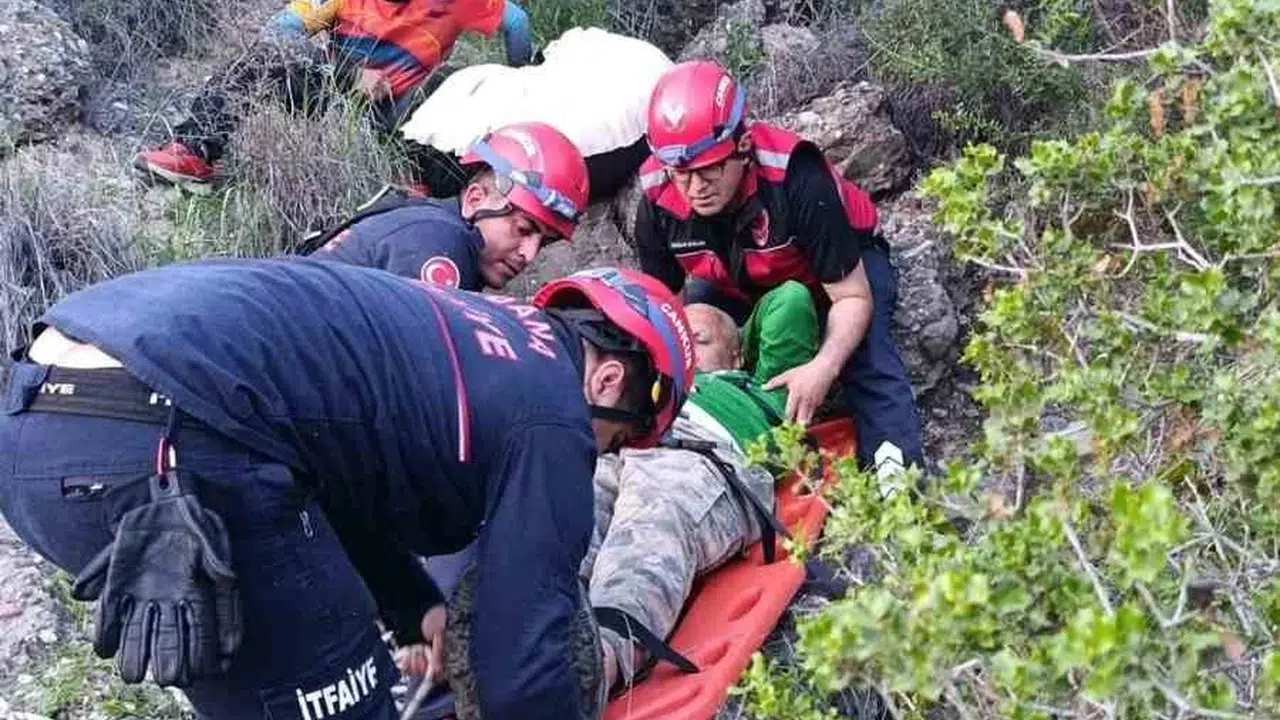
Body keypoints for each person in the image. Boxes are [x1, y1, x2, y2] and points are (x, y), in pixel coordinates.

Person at [0, 258, 696, 719]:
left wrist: (414, 607)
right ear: (609, 384)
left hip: (37, 428)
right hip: (172, 444)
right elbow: (520, 662)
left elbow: (326, 466)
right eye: (614, 441)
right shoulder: (553, 415)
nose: (598, 455)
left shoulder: (470, 328)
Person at [421, 281, 820, 719]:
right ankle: (495, 653)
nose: (683, 356)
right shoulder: (631, 393)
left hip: (699, 455)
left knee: (653, 526)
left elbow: (791, 300)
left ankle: (596, 669)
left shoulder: (763, 389)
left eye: (700, 341)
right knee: (559, 516)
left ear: (738, 354)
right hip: (617, 443)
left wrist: (705, 315)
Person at [633, 59, 925, 475]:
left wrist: (823, 367)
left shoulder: (795, 179)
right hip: (740, 279)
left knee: (868, 358)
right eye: (681, 172)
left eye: (710, 168)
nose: (695, 187)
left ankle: (896, 485)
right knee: (698, 339)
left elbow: (852, 297)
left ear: (743, 146)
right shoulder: (660, 197)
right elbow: (665, 312)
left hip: (835, 271)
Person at [132, 0, 535, 194]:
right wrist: (349, 76)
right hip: (331, 94)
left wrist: (520, 80)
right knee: (264, 58)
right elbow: (281, 31)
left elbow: (516, 22)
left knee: (454, 82)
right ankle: (193, 152)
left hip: (398, 112)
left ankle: (417, 181)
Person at [304, 121, 590, 290]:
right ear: (475, 199)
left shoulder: (422, 222)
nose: (529, 255)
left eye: (543, 244)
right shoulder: (440, 241)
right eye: (524, 229)